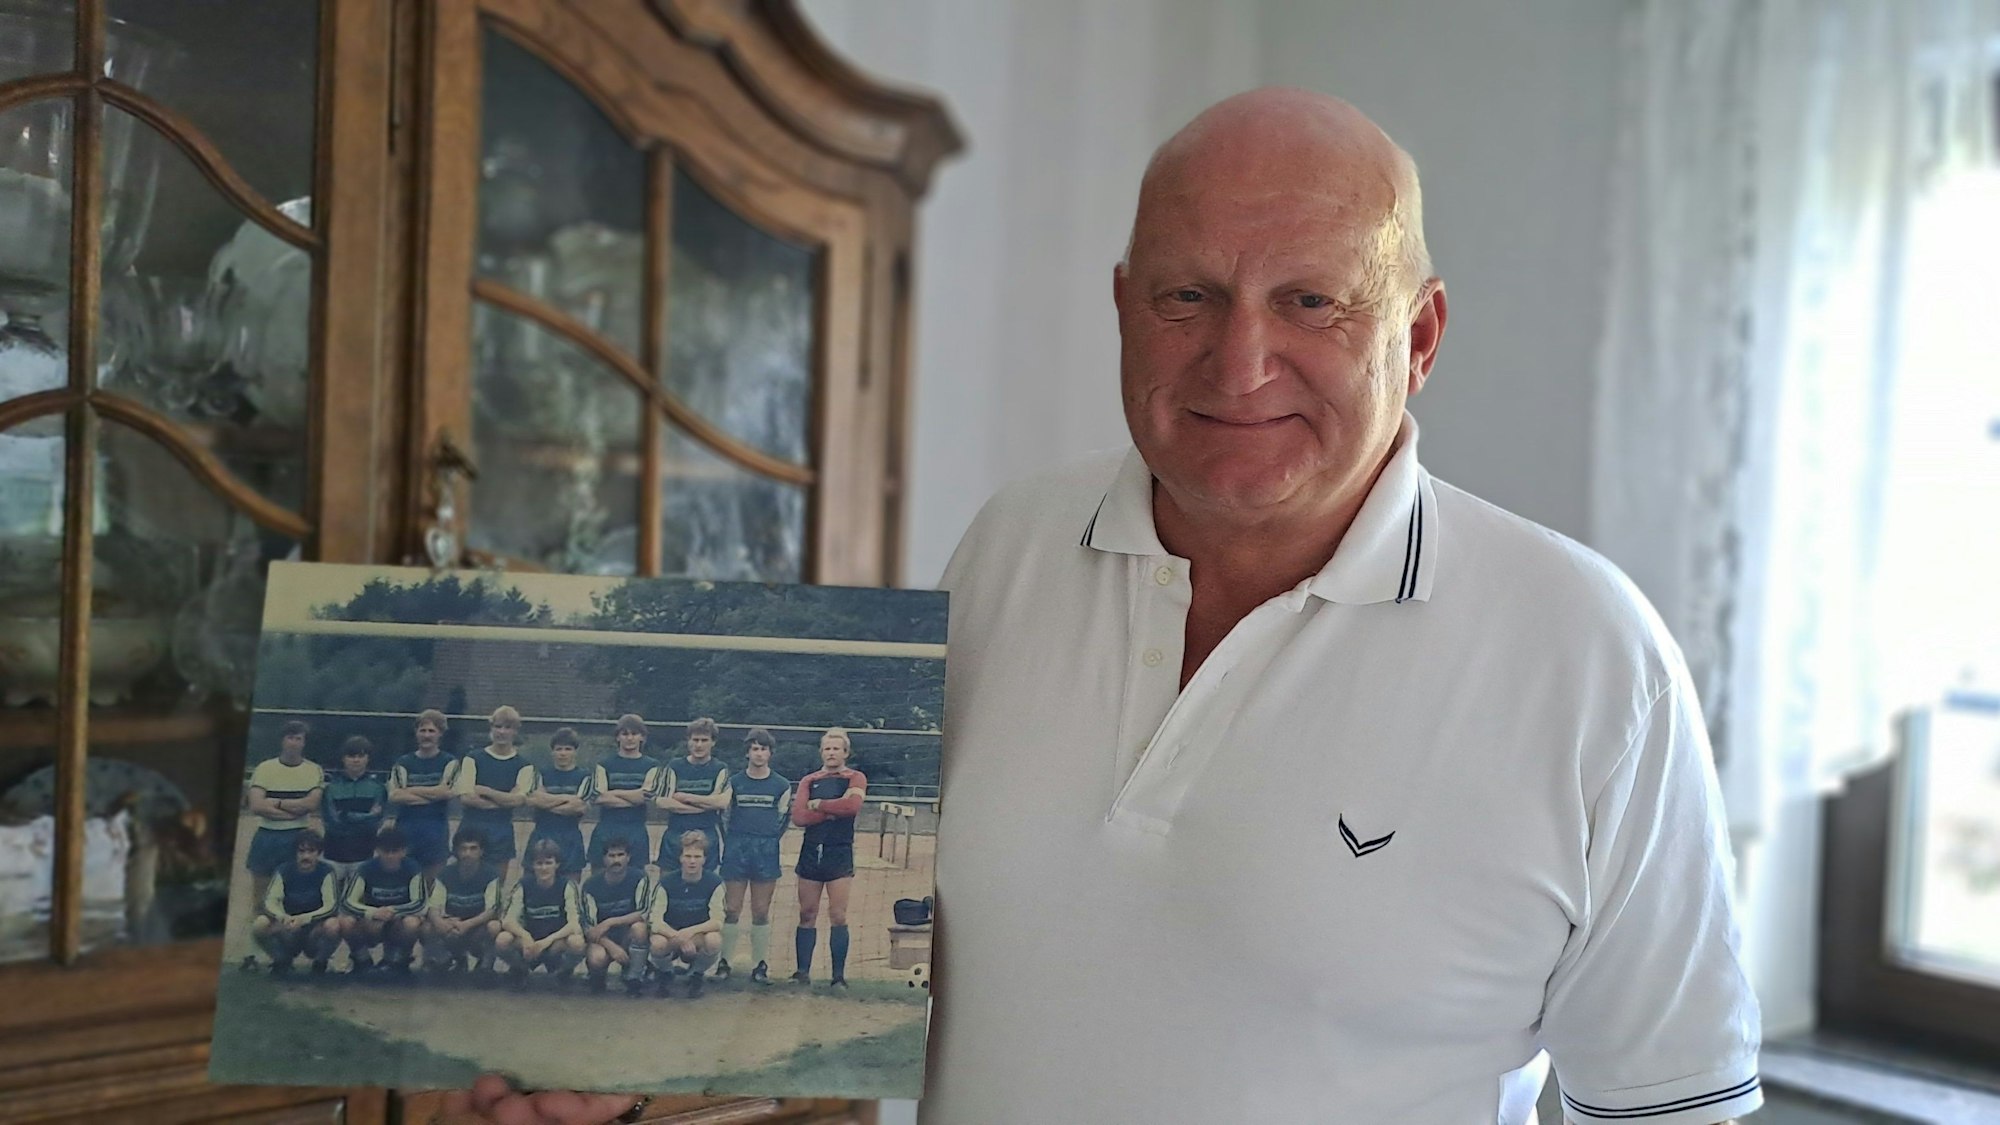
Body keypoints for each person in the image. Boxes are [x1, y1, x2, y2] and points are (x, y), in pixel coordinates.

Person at [440, 87, 1762, 1125]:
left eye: (1309, 301)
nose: (1239, 359)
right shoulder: (1012, 546)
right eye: (1189, 295)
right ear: (1125, 310)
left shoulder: (1592, 661)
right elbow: (907, 943)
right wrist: (632, 1053)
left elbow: (1666, 1108)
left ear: (1417, 337)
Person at [788, 728, 865, 988]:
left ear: (845, 752)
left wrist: (819, 805)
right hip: (811, 850)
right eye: (827, 748)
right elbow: (799, 817)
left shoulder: (855, 778)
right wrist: (833, 810)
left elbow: (852, 807)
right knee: (807, 912)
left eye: (836, 748)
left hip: (839, 851)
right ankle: (802, 972)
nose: (831, 753)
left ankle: (838, 977)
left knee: (838, 915)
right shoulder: (809, 781)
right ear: (821, 752)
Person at [717, 727, 791, 985]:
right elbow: (724, 817)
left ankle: (759, 965)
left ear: (771, 753)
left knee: (760, 910)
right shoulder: (734, 782)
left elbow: (782, 819)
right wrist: (735, 841)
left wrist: (766, 841)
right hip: (737, 847)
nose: (759, 754)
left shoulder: (781, 785)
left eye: (764, 749)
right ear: (747, 752)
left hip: (766, 849)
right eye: (754, 749)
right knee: (731, 908)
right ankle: (724, 962)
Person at [243, 720, 325, 912]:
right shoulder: (265, 768)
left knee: (292, 892)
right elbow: (256, 805)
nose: (294, 743)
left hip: (298, 838)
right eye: (290, 738)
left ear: (304, 742)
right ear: (282, 740)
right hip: (267, 837)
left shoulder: (314, 770)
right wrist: (292, 812)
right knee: (261, 895)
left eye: (298, 739)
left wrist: (277, 803)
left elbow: (311, 804)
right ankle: (260, 932)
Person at [453, 705, 535, 881]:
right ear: (491, 728)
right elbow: (467, 797)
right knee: (464, 882)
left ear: (515, 731)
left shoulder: (524, 765)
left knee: (496, 886)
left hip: (501, 830)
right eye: (498, 726)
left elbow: (518, 800)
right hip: (471, 826)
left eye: (507, 727)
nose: (502, 732)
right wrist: (503, 800)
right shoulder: (472, 758)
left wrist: (485, 790)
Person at [335, 826, 427, 977]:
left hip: (397, 920)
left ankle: (397, 961)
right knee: (346, 922)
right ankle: (362, 961)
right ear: (378, 850)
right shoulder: (365, 868)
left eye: (395, 851)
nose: (390, 856)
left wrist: (393, 911)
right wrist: (372, 913)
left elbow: (420, 902)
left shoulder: (413, 868)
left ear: (404, 851)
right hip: (371, 922)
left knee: (413, 923)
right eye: (386, 851)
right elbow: (346, 901)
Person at [495, 838, 584, 990]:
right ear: (532, 865)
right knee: (503, 939)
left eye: (548, 863)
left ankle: (562, 973)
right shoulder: (523, 885)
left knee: (577, 942)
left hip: (555, 943)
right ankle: (519, 970)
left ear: (557, 864)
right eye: (539, 863)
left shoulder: (568, 886)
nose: (544, 868)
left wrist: (547, 941)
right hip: (529, 943)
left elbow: (574, 924)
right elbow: (507, 920)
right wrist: (525, 937)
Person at [249, 829, 340, 976]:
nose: (306, 856)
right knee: (260, 924)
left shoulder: (327, 871)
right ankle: (281, 961)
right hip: (288, 929)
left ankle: (320, 963)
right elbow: (270, 901)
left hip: (314, 931)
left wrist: (304, 919)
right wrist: (282, 917)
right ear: (295, 853)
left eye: (311, 851)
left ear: (319, 853)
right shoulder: (283, 870)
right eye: (301, 851)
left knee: (334, 925)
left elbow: (331, 906)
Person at [646, 830, 722, 998]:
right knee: (657, 942)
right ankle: (665, 973)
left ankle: (696, 974)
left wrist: (690, 932)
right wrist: (677, 936)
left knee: (714, 939)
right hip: (671, 935)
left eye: (697, 856)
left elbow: (717, 921)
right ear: (680, 858)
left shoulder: (715, 883)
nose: (692, 861)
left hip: (696, 936)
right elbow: (655, 920)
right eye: (688, 856)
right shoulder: (665, 883)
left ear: (704, 859)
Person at [656, 717, 729, 881]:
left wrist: (685, 797)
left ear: (713, 742)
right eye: (695, 740)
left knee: (706, 887)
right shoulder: (674, 766)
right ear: (688, 741)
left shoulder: (720, 768)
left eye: (704, 740)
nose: (699, 745)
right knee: (667, 885)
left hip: (707, 835)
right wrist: (704, 804)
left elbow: (721, 802)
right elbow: (662, 801)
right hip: (675, 834)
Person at [389, 709, 460, 877]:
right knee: (405, 882)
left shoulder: (450, 762)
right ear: (416, 733)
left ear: (440, 734)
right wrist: (433, 794)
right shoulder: (403, 762)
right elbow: (395, 796)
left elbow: (447, 793)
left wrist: (410, 790)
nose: (427, 735)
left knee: (432, 885)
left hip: (435, 833)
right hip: (406, 831)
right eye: (423, 730)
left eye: (431, 731)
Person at [424, 828, 503, 977]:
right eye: (463, 849)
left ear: (481, 851)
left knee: (494, 926)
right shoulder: (444, 874)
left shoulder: (492, 874)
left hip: (476, 926)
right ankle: (446, 959)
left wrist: (467, 924)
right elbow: (433, 906)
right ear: (456, 851)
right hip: (452, 925)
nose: (468, 853)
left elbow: (492, 910)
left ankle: (485, 965)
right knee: (428, 927)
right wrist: (441, 922)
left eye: (473, 849)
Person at [579, 836, 653, 995]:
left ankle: (634, 978)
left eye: (620, 855)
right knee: (596, 958)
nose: (616, 860)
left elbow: (644, 912)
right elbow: (589, 928)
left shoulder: (640, 878)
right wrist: (611, 947)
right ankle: (597, 978)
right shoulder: (591, 885)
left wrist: (611, 921)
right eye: (611, 856)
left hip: (627, 934)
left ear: (628, 857)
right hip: (603, 938)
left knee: (640, 928)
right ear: (604, 859)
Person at [591, 714, 661, 872]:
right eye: (625, 734)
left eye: (634, 734)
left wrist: (613, 793)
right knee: (600, 879)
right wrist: (633, 797)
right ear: (617, 737)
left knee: (636, 882)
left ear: (642, 737)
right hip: (606, 829)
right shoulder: (604, 765)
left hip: (636, 830)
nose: (630, 738)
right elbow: (599, 796)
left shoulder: (652, 765)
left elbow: (645, 796)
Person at [526, 727, 593, 881]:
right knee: (535, 885)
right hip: (542, 834)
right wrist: (567, 798)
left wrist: (547, 801)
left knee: (571, 888)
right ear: (552, 752)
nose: (563, 753)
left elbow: (579, 806)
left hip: (570, 837)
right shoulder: (540, 773)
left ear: (575, 751)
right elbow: (533, 800)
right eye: (559, 749)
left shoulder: (585, 776)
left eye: (568, 749)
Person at [321, 736, 388, 880]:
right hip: (333, 855)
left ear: (367, 758)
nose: (356, 760)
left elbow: (376, 822)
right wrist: (366, 816)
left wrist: (346, 815)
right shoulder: (331, 787)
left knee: (359, 900)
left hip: (365, 855)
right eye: (351, 756)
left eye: (361, 756)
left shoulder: (378, 788)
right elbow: (332, 822)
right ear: (343, 759)